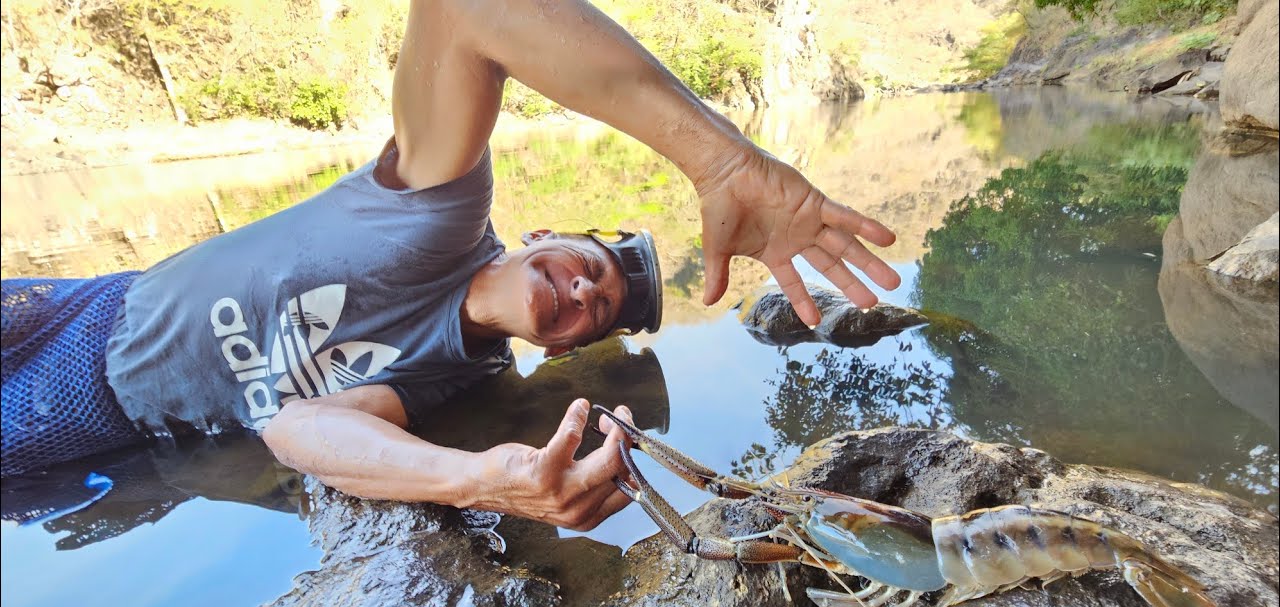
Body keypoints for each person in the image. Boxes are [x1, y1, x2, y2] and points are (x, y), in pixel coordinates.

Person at [1, 0, 900, 531]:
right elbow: (467, 12)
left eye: (599, 307)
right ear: (541, 235)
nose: (585, 288)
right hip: (72, 321)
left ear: (560, 354)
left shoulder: (448, 381)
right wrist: (724, 161)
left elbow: (295, 433)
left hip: (107, 439)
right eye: (590, 264)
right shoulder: (435, 209)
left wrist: (483, 480)